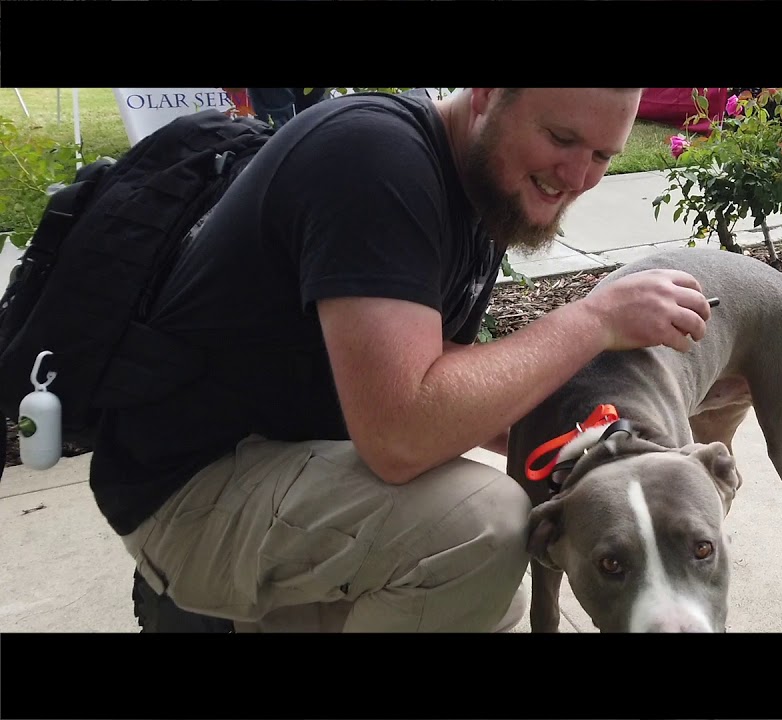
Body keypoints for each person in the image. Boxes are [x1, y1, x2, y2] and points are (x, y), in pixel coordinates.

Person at [97, 87, 714, 632]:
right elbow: (399, 437)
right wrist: (594, 318)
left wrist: (580, 440)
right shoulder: (378, 161)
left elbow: (427, 367)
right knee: (483, 531)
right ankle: (213, 604)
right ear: (485, 94)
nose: (578, 174)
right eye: (561, 137)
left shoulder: (482, 189)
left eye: (603, 155)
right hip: (190, 492)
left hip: (287, 459)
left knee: (479, 598)